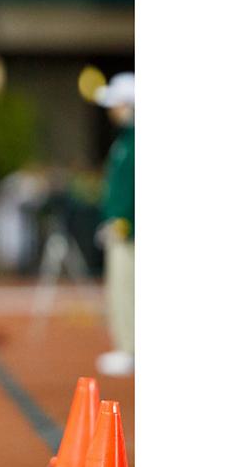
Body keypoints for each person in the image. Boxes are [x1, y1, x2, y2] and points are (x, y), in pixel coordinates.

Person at [94, 72, 135, 377]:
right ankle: (126, 345)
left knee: (127, 288)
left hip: (129, 230)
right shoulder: (125, 140)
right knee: (119, 288)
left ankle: (130, 348)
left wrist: (126, 222)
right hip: (120, 226)